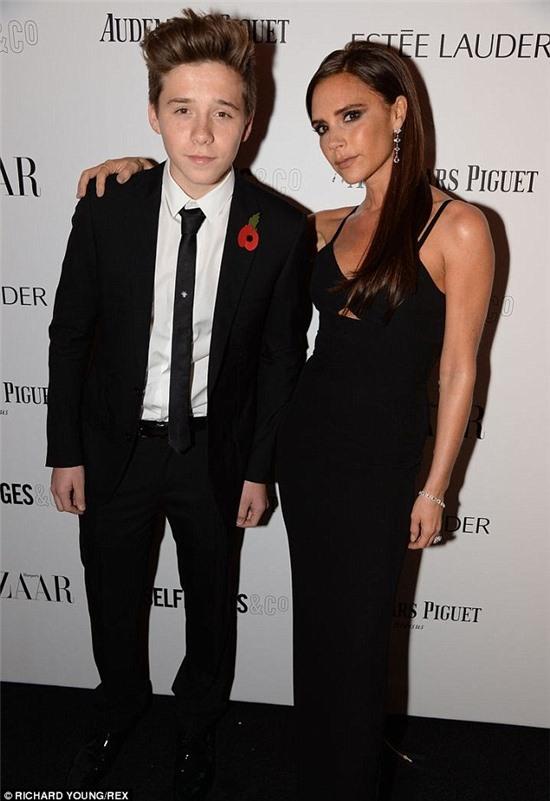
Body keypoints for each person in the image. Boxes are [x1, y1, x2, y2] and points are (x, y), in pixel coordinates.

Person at [78, 40, 494, 801]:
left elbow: (460, 368)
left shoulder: (458, 227)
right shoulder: (322, 225)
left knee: (360, 646)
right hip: (307, 456)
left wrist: (436, 488)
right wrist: (137, 169)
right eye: (322, 127)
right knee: (320, 640)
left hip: (380, 467)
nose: (337, 142)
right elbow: (219, 212)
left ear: (400, 112)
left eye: (352, 117)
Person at [47, 9, 310, 799]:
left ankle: (197, 727)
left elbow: (279, 360)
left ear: (250, 123)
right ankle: (118, 705)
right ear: (153, 115)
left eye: (223, 112)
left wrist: (260, 468)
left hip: (214, 460)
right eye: (182, 109)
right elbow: (70, 333)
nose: (201, 133)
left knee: (210, 607)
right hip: (116, 452)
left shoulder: (281, 229)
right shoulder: (108, 205)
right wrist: (66, 449)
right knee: (111, 598)